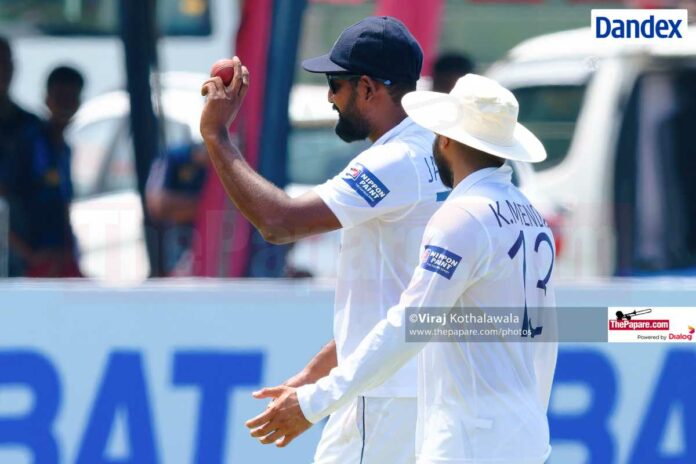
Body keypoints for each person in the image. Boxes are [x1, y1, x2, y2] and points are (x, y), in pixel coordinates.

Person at [245, 74, 558, 464]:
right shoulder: (531, 216)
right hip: (525, 439)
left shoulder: (462, 215)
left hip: (466, 441)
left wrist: (314, 401)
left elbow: (409, 326)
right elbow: (545, 335)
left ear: (444, 138)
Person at [199, 16, 447, 463]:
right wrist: (313, 376)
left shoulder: (393, 162)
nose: (329, 97)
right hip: (422, 388)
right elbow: (400, 302)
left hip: (384, 397)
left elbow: (278, 222)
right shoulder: (437, 151)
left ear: (369, 88)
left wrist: (217, 136)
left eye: (336, 83)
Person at [1, 62, 84, 277]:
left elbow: (62, 207)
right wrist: (29, 255)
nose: (65, 105)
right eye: (60, 97)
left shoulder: (64, 149)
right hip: (23, 266)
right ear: (47, 99)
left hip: (57, 263)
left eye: (71, 98)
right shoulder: (26, 143)